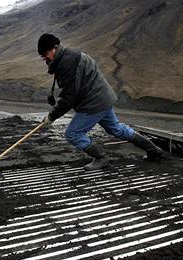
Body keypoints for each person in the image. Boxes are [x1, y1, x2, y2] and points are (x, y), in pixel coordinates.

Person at [38, 33, 163, 170]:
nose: (44, 57)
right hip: (102, 98)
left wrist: (52, 116)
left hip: (93, 103)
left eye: (45, 53)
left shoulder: (67, 62)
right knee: (117, 129)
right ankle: (154, 150)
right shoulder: (68, 56)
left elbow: (68, 96)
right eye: (42, 55)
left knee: (73, 134)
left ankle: (101, 158)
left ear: (55, 48)